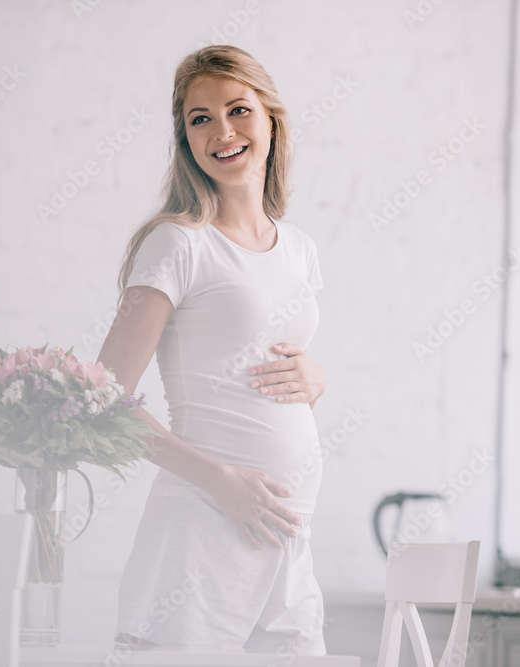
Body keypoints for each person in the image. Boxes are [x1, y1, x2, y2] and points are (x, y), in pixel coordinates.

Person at [97, 45, 328, 654]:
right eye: (200, 119)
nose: (222, 131)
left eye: (237, 109)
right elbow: (101, 398)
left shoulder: (299, 249)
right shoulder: (177, 244)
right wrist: (221, 481)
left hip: (287, 536)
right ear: (185, 140)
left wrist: (316, 382)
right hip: (202, 532)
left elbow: (262, 376)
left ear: (271, 118)